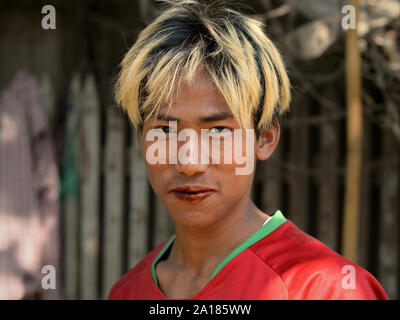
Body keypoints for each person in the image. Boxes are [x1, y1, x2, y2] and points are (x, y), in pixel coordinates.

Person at [108, 0, 388, 300]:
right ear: (141, 140)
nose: (189, 163)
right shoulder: (128, 292)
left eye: (218, 132)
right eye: (165, 131)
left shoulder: (324, 288)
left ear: (264, 138)